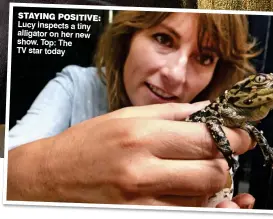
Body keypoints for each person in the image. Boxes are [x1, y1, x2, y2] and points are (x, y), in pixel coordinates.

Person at [7, 11, 259, 208]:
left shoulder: (215, 125)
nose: (176, 74)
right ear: (128, 36)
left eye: (204, 58)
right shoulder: (76, 86)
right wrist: (47, 176)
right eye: (164, 39)